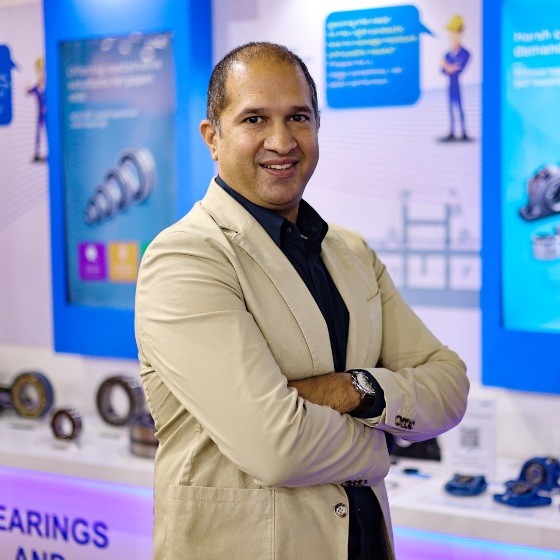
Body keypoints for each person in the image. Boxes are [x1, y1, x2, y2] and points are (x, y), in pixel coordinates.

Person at [135, 42, 469, 560]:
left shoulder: (351, 252)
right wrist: (379, 445)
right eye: (254, 119)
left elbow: (448, 384)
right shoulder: (187, 257)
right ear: (212, 137)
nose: (281, 140)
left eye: (298, 117)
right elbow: (276, 448)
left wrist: (358, 390)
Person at [440, 15, 471, 142]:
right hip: (450, 85)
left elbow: (457, 68)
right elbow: (443, 70)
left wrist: (447, 66)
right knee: (451, 108)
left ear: (461, 34)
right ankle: (452, 131)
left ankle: (463, 132)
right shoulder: (448, 54)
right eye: (451, 33)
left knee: (459, 107)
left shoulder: (465, 53)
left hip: (457, 84)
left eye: (455, 32)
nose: (453, 36)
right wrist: (448, 67)